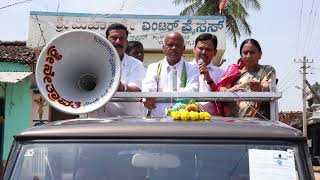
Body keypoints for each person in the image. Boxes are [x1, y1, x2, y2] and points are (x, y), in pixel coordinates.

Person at [89, 23, 146, 117]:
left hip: (128, 122)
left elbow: (138, 90)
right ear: (106, 41)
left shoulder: (136, 64)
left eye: (122, 38)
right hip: (98, 122)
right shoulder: (92, 62)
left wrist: (119, 86)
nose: (118, 42)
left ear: (126, 43)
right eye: (114, 38)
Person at [143, 32, 199, 117]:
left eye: (178, 45)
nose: (174, 48)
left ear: (183, 48)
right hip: (158, 119)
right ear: (163, 48)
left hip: (183, 120)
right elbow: (149, 93)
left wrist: (162, 92)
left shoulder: (192, 69)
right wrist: (179, 95)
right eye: (170, 45)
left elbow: (191, 93)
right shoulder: (153, 67)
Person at [219, 38, 276, 118]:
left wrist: (260, 87)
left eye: (252, 53)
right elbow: (221, 88)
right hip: (234, 122)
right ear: (241, 55)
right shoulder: (234, 71)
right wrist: (229, 91)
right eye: (245, 53)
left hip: (258, 123)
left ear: (260, 55)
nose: (248, 56)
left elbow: (267, 86)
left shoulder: (266, 70)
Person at [190, 33, 224, 115]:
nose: (203, 52)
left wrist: (208, 77)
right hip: (186, 118)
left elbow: (222, 98)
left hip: (211, 120)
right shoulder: (185, 68)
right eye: (200, 48)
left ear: (215, 52)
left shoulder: (221, 73)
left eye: (208, 49)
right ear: (194, 49)